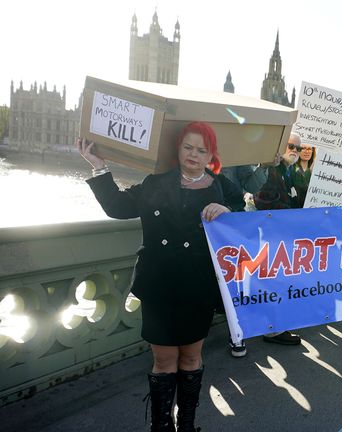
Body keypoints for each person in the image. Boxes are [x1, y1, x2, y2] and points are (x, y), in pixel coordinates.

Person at [77, 121, 245, 431]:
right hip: (159, 286)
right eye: (188, 147)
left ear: (211, 154)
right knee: (165, 362)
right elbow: (117, 207)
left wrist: (228, 211)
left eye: (201, 149)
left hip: (198, 287)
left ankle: (188, 424)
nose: (193, 154)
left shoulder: (224, 188)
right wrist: (99, 166)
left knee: (192, 359)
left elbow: (247, 222)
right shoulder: (155, 183)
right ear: (178, 149)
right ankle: (161, 426)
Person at [222, 134, 306, 358]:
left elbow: (251, 185)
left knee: (268, 280)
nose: (295, 150)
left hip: (264, 230)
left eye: (298, 147)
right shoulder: (267, 165)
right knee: (237, 282)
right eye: (291, 146)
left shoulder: (289, 170)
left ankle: (269, 327)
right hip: (239, 228)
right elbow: (260, 197)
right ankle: (239, 333)